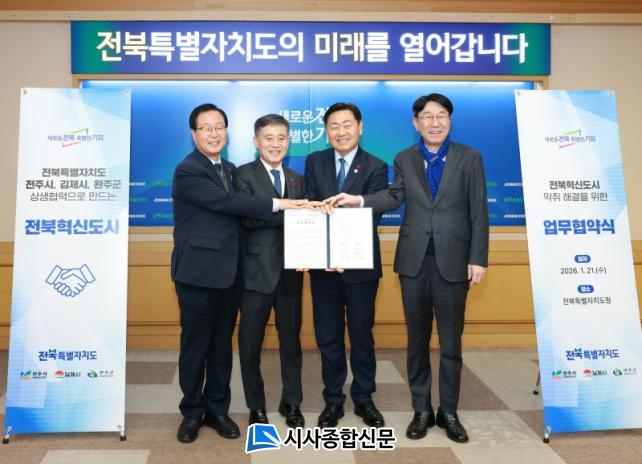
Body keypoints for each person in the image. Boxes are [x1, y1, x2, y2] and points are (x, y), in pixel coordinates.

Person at [326, 93, 489, 443]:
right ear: (416, 123)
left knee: (450, 343)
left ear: (450, 120)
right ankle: (422, 410)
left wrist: (478, 257)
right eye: (427, 117)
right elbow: (393, 196)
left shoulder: (470, 157)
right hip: (413, 262)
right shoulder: (404, 158)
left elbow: (479, 211)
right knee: (416, 341)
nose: (435, 122)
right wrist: (359, 200)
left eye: (441, 115)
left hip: (454, 261)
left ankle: (449, 412)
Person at [171, 103, 306, 443]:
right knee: (195, 346)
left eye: (219, 127)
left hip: (231, 273)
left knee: (220, 347)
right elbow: (228, 205)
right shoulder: (188, 170)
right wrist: (281, 203)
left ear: (227, 132)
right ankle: (192, 412)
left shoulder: (229, 169)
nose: (214, 133)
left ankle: (217, 409)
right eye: (206, 128)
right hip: (198, 273)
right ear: (194, 133)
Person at [304, 102, 388, 428]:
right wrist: (322, 250)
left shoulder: (376, 166)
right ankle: (333, 400)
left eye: (347, 124)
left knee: (361, 335)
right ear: (326, 132)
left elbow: (374, 213)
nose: (341, 131)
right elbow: (311, 206)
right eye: (334, 126)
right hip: (324, 266)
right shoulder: (315, 161)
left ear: (359, 127)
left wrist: (342, 247)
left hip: (360, 266)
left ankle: (364, 399)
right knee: (329, 336)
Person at [233, 114, 306, 428]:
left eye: (281, 138)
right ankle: (256, 406)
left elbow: (306, 223)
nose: (275, 144)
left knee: (292, 343)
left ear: (288, 141)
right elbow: (248, 218)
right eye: (269, 138)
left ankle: (292, 402)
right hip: (255, 274)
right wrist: (290, 208)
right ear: (256, 141)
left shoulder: (297, 178)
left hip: (292, 272)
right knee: (250, 345)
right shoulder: (242, 175)